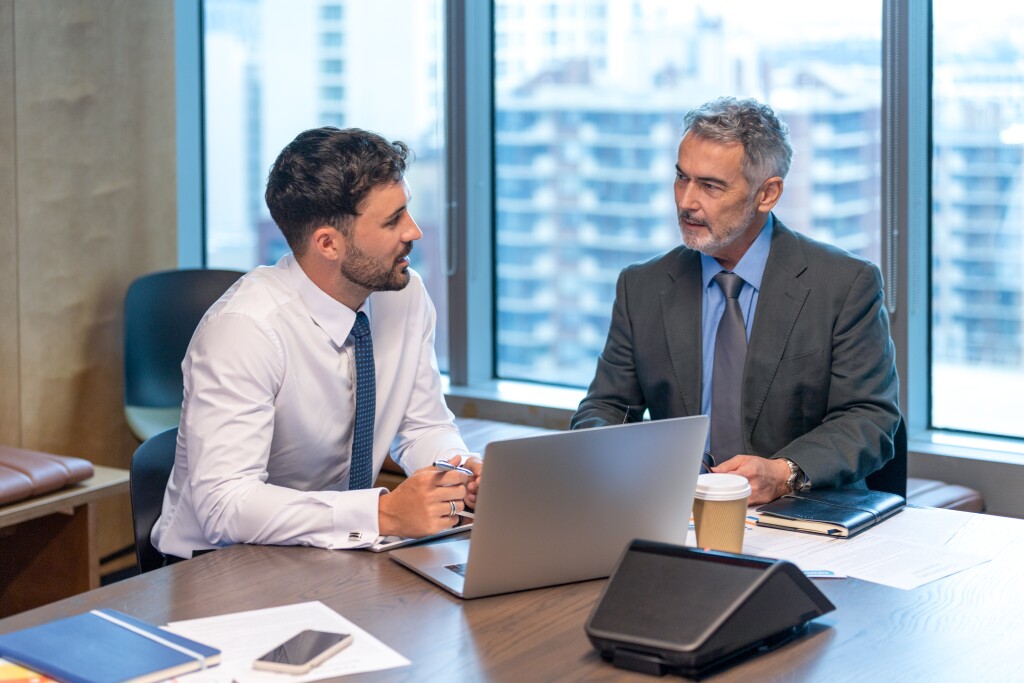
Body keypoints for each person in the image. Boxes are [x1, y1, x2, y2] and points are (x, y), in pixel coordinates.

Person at [153, 127, 480, 560]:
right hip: (220, 565)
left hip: (333, 549)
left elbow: (422, 425)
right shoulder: (245, 329)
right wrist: (382, 514)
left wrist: (457, 470)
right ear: (328, 243)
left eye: (408, 211)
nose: (415, 231)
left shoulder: (405, 295)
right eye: (392, 220)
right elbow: (225, 505)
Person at [571, 97, 899, 505]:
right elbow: (607, 405)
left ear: (767, 194)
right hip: (677, 511)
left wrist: (783, 473)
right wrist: (606, 457)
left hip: (799, 513)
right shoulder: (642, 286)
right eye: (681, 177)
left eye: (710, 186)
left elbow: (869, 419)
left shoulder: (845, 284)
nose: (686, 201)